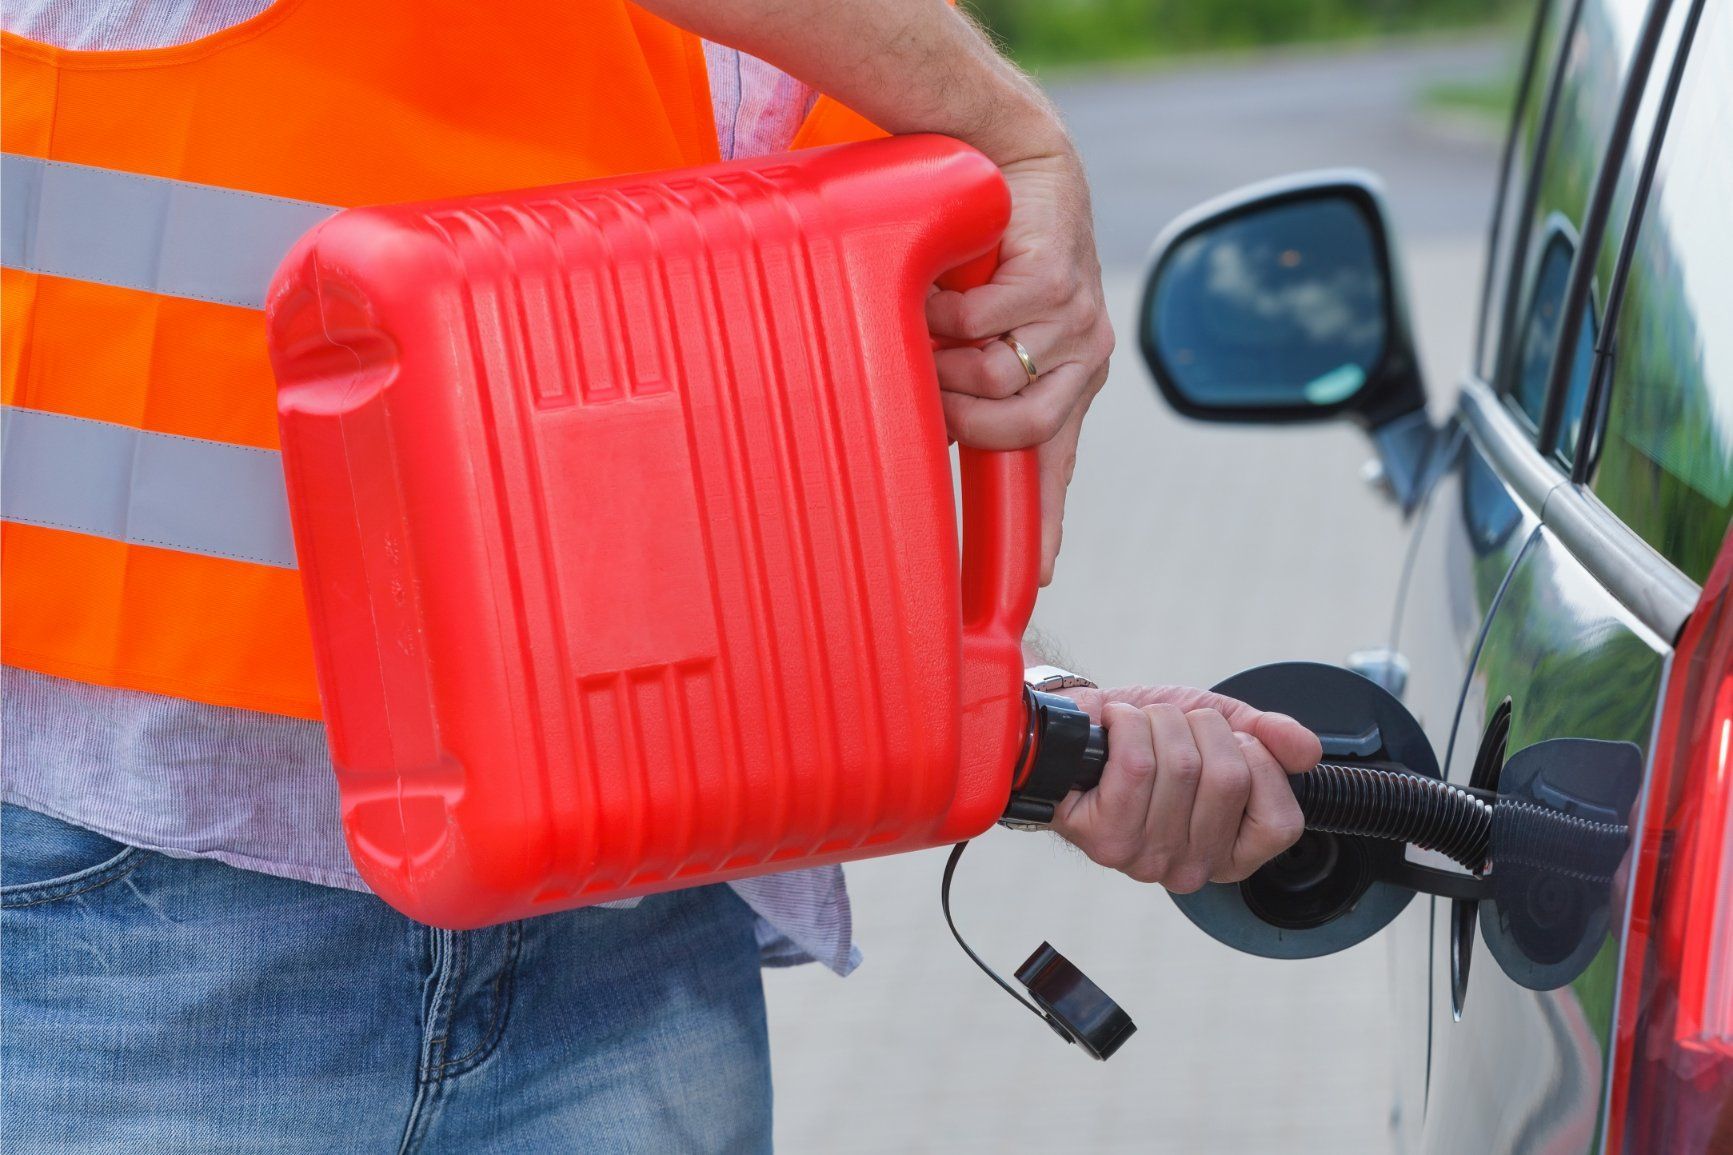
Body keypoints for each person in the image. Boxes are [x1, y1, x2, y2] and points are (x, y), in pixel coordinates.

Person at [0, 1, 1317, 1150]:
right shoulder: (930, 71)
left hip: (634, 931)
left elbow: (715, 469)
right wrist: (1010, 130)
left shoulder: (842, 42)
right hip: (154, 911)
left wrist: (1015, 701)